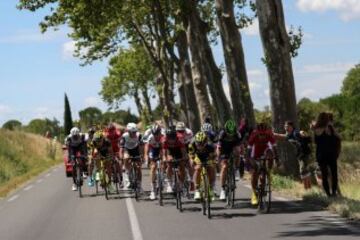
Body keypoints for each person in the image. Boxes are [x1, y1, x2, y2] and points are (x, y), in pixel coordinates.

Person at [274, 121, 312, 189]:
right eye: (285, 126)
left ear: (292, 127)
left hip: (304, 153)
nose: (286, 128)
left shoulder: (295, 133)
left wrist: (303, 133)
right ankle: (308, 188)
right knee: (304, 171)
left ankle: (307, 188)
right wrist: (271, 134)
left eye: (288, 126)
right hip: (300, 155)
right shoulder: (289, 135)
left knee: (303, 171)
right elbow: (280, 136)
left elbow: (301, 132)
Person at [247, 122, 278, 206]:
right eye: (261, 135)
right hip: (255, 152)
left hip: (265, 150)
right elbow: (249, 151)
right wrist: (249, 161)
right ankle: (254, 193)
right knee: (254, 172)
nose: (262, 136)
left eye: (264, 135)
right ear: (257, 133)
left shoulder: (269, 134)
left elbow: (274, 147)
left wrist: (277, 159)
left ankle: (268, 171)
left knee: (270, 154)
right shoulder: (254, 135)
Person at [311, 112, 341, 197]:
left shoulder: (316, 129)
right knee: (334, 174)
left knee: (324, 175)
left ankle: (328, 194)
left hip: (321, 154)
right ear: (327, 119)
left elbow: (314, 142)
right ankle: (334, 193)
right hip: (331, 154)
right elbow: (338, 137)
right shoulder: (330, 128)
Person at [216, 119, 242, 200]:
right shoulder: (222, 134)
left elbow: (240, 146)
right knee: (224, 167)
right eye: (228, 134)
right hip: (224, 148)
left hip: (233, 147)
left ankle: (237, 170)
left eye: (232, 134)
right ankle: (223, 189)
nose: (230, 136)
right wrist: (218, 157)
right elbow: (218, 148)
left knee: (238, 152)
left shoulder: (237, 134)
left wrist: (240, 154)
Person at [189, 131, 216, 201]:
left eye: (201, 144)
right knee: (198, 168)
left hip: (207, 157)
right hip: (197, 157)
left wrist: (213, 161)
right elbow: (191, 156)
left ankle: (211, 187)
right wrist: (193, 162)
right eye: (198, 143)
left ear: (205, 142)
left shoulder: (210, 146)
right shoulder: (191, 145)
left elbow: (214, 156)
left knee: (211, 167)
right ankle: (197, 189)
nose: (199, 146)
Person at [162, 127, 187, 193]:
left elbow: (183, 152)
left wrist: (184, 158)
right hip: (170, 152)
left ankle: (181, 183)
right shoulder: (164, 140)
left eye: (172, 138)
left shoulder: (180, 140)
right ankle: (169, 183)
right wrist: (165, 158)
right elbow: (164, 153)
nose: (171, 140)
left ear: (175, 136)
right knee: (169, 164)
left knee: (182, 166)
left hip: (179, 151)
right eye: (169, 138)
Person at [119, 123, 143, 191]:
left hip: (136, 149)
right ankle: (127, 173)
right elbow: (121, 149)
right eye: (133, 132)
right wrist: (121, 158)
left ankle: (139, 185)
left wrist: (142, 156)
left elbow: (141, 147)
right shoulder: (124, 136)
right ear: (128, 131)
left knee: (139, 168)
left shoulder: (139, 135)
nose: (135, 133)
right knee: (126, 158)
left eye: (135, 131)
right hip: (127, 149)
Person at [144, 124, 164, 200]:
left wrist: (164, 159)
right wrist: (146, 159)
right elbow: (146, 149)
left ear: (160, 132)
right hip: (153, 150)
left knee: (164, 162)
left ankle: (162, 177)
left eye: (157, 134)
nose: (156, 136)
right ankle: (153, 190)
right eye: (154, 134)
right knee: (153, 167)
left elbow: (164, 149)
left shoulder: (163, 136)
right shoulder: (150, 137)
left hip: (162, 149)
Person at [65, 127, 87, 191]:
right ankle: (74, 183)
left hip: (80, 146)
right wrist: (70, 157)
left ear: (78, 134)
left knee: (83, 157)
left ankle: (84, 172)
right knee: (73, 165)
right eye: (74, 136)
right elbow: (69, 148)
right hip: (72, 148)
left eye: (76, 136)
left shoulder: (82, 136)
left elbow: (84, 146)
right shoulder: (68, 138)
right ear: (71, 135)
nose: (75, 137)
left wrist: (85, 155)